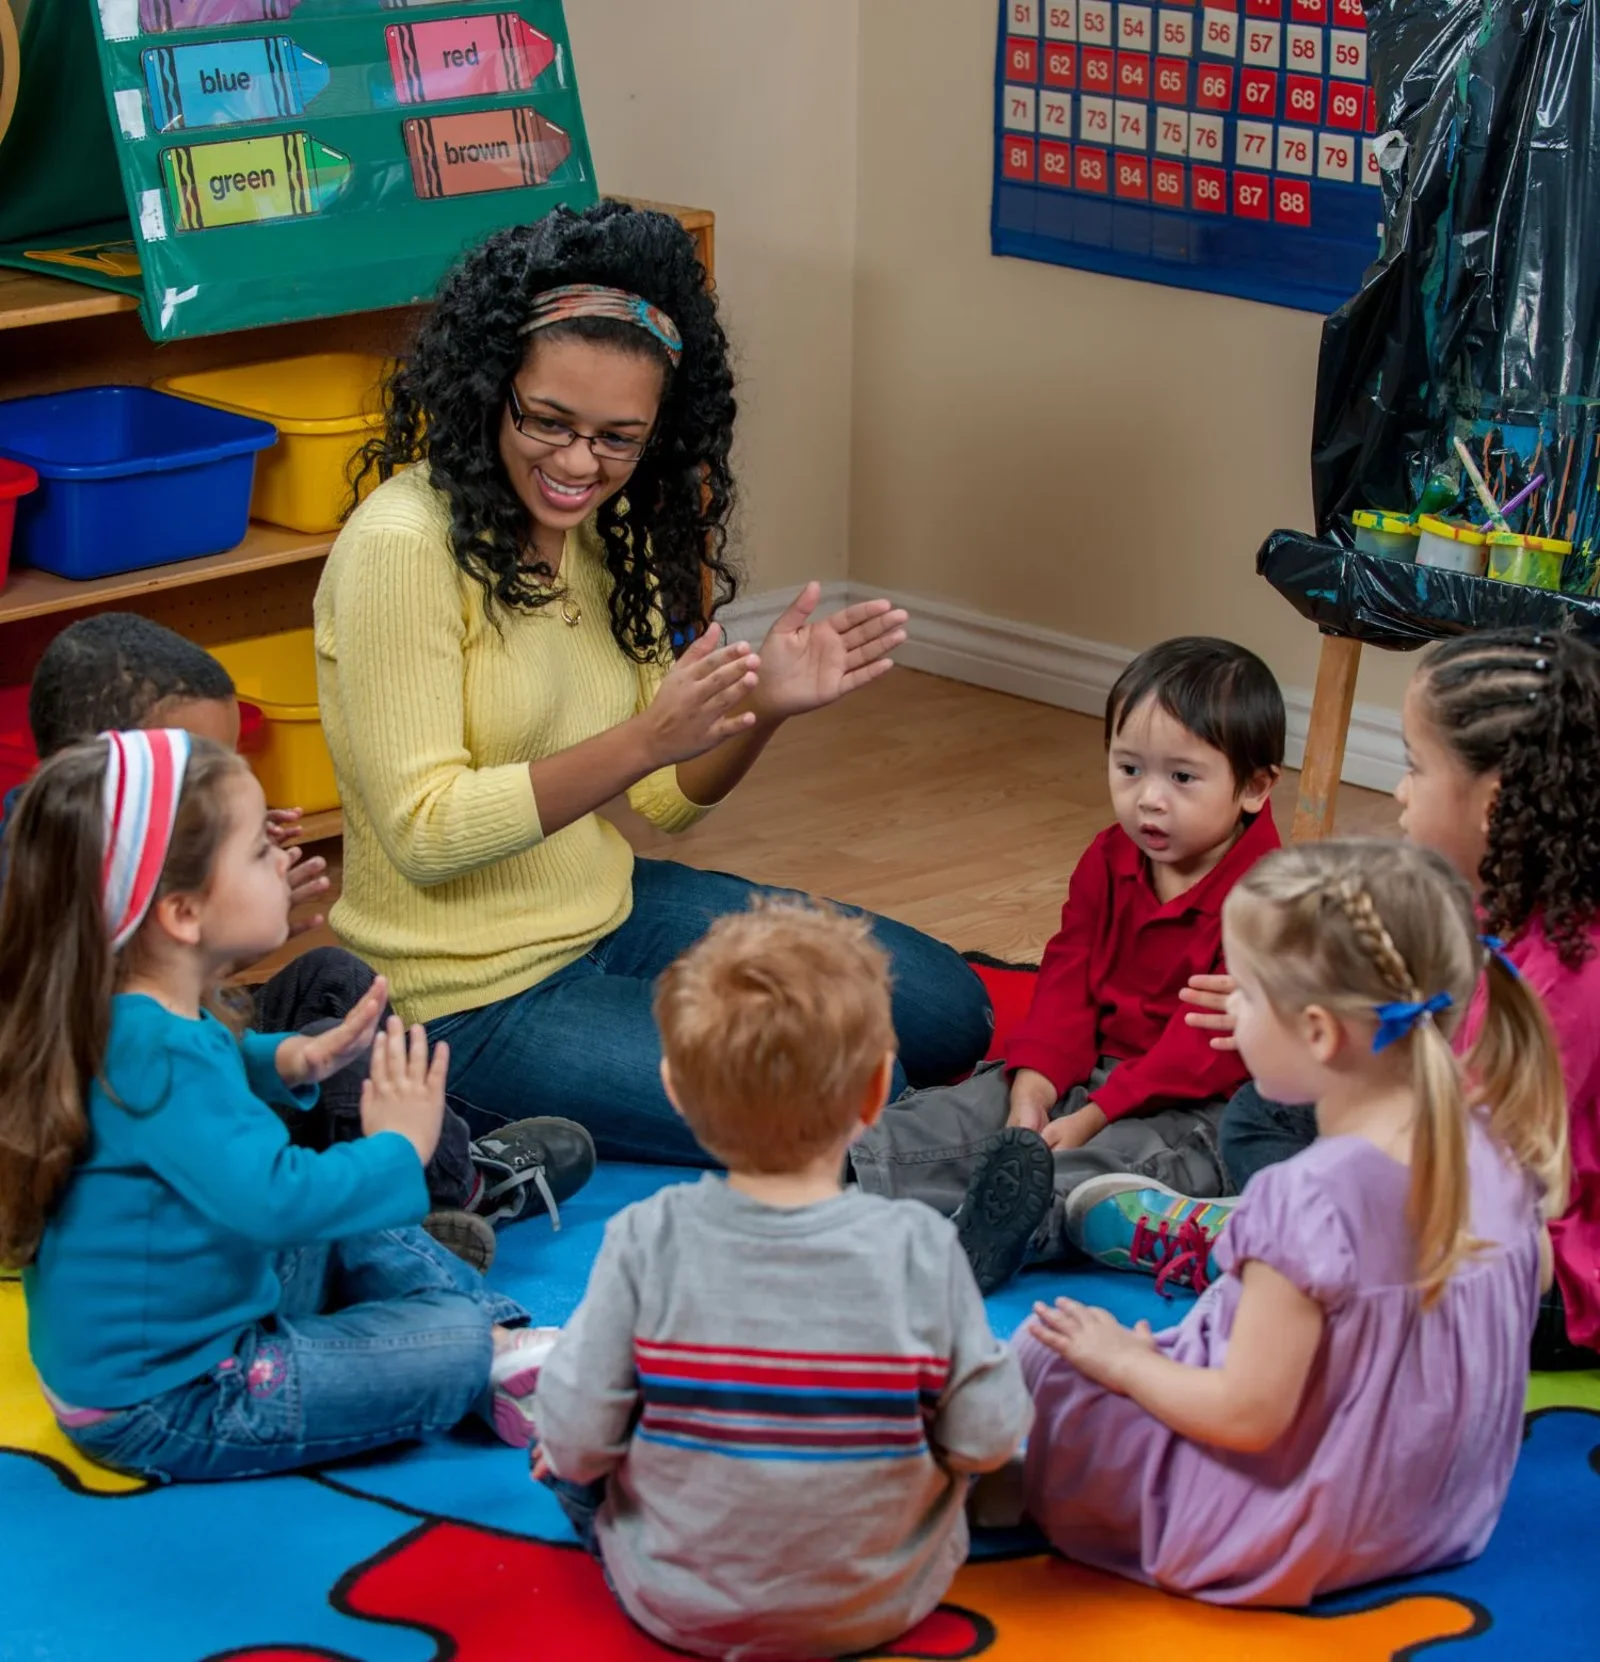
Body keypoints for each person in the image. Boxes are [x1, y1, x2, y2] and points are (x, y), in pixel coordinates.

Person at [314, 201, 992, 1166]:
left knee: (943, 1013)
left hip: (612, 907)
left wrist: (762, 709)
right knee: (817, 1107)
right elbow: (426, 835)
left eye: (617, 438)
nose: (578, 464)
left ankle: (915, 1140)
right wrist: (645, 737)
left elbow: (665, 801)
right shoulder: (402, 549)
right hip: (465, 999)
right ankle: (956, 1168)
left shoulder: (610, 529)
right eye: (548, 422)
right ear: (488, 389)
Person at [1018, 838, 1565, 1606]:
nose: (1229, 1009)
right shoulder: (1496, 1147)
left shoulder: (1304, 1197)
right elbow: (1529, 1277)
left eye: (1243, 991)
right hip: (1438, 1509)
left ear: (1317, 1032)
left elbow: (1247, 1414)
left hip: (1294, 1527)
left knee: (1053, 1362)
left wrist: (1124, 1365)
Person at [0, 730, 557, 1481]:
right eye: (258, 853)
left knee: (354, 1217)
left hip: (202, 1311)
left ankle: (502, 1352)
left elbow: (208, 1076)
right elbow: (273, 1200)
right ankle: (487, 1352)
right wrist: (399, 1146)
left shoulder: (126, 1012)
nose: (281, 864)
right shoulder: (155, 1055)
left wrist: (289, 1056)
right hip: (177, 1397)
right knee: (441, 1330)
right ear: (184, 914)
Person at [5, 614, 597, 1270]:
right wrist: (219, 947)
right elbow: (120, 1052)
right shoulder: (32, 881)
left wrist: (231, 911)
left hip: (181, 1073)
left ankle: (433, 1185)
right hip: (134, 1131)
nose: (218, 782)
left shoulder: (129, 852)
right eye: (199, 768)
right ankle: (415, 1202)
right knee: (341, 1056)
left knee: (332, 979)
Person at [531, 901, 1032, 1660]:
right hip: (884, 1598)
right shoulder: (919, 1246)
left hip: (678, 1601)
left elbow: (576, 1438)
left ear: (675, 1091)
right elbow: (990, 1434)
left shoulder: (646, 1238)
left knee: (570, 1461)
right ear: (873, 1096)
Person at [1132, 631, 1600, 1364]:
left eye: (1416, 767)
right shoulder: (1504, 898)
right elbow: (1423, 1009)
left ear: (1495, 802)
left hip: (1552, 1283)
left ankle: (1252, 1244)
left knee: (1315, 1132)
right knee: (1264, 1112)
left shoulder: (1568, 980)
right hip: (1479, 1181)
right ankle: (1278, 1232)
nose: (1399, 789)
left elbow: (1485, 1179)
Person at [848, 637, 1283, 1291]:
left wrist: (1093, 1117)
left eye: (1182, 778)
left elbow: (1203, 1050)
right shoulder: (1108, 859)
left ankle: (996, 1233)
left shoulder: (1272, 898)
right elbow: (1067, 978)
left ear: (1253, 787)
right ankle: (848, 1167)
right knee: (975, 1108)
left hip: (1204, 1107)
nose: (1149, 800)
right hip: (1097, 1074)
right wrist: (1038, 1086)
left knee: (1116, 1169)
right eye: (1129, 769)